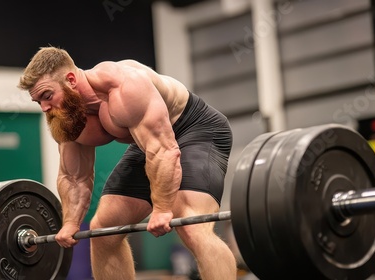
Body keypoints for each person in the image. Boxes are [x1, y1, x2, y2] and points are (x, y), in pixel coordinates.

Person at [18, 47, 236, 279]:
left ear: (71, 79)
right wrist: (71, 222)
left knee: (190, 224)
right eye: (38, 101)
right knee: (102, 231)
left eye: (47, 96)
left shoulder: (124, 86)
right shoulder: (67, 116)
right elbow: (74, 176)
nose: (44, 108)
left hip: (195, 128)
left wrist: (162, 208)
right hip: (150, 143)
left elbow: (165, 151)